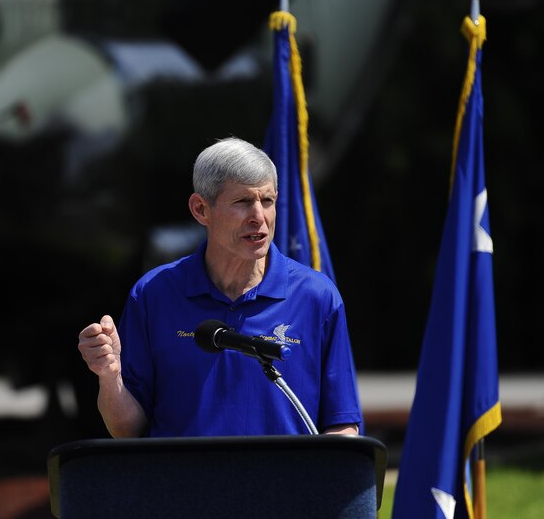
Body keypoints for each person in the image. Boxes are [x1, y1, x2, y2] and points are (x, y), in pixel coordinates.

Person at [78, 137, 362, 438]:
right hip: (183, 484)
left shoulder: (316, 296)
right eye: (242, 202)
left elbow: (342, 424)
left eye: (267, 201)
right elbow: (127, 431)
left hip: (285, 484)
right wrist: (109, 378)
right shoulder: (154, 295)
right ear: (201, 209)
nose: (258, 217)